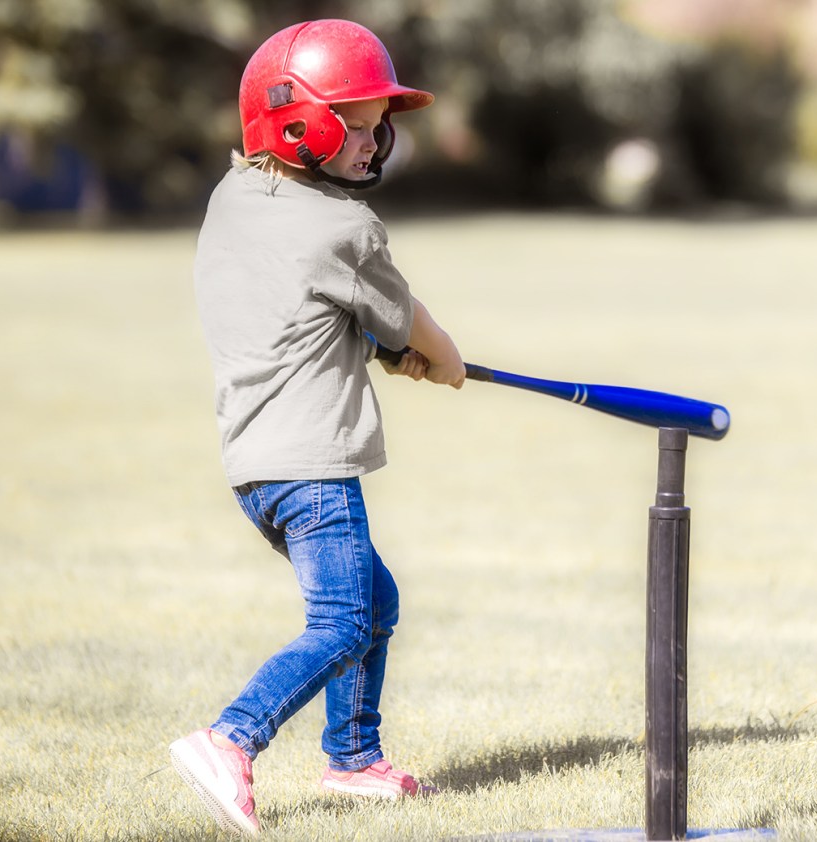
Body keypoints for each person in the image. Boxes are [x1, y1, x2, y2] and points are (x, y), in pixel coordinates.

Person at [169, 19, 464, 837]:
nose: (374, 145)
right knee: (344, 622)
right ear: (299, 124)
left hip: (254, 467)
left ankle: (355, 759)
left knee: (375, 598)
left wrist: (375, 344)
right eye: (356, 125)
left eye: (379, 127)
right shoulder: (346, 227)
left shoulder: (236, 198)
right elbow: (418, 331)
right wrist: (440, 358)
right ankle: (230, 739)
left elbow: (301, 310)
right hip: (315, 467)